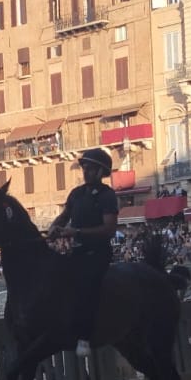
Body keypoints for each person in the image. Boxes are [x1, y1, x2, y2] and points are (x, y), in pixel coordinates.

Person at [47, 147, 120, 357]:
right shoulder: (76, 193)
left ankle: (85, 336)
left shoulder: (107, 195)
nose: (85, 172)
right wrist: (54, 227)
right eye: (84, 168)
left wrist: (75, 231)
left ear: (100, 172)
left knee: (87, 287)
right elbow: (64, 216)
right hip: (77, 252)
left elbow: (109, 229)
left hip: (97, 253)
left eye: (90, 168)